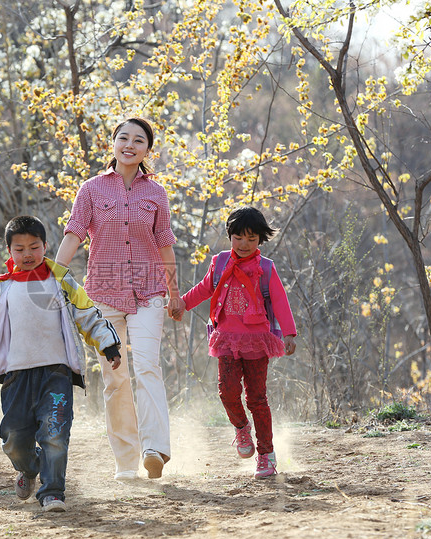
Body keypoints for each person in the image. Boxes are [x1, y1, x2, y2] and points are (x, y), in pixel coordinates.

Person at [0, 216, 121, 511]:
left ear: (46, 246)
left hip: (56, 372)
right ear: (10, 252)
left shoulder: (60, 279)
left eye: (34, 247)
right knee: (12, 438)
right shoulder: (4, 287)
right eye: (20, 248)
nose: (27, 254)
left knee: (55, 432)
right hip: (16, 376)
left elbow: (87, 313)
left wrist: (108, 343)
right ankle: (29, 467)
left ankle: (52, 492)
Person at [55, 117, 184, 480]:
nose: (130, 144)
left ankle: (154, 449)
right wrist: (54, 276)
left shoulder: (156, 193)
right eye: (123, 138)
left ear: (147, 149)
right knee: (115, 378)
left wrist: (175, 293)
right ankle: (125, 462)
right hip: (102, 293)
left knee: (146, 367)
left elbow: (165, 246)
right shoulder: (92, 189)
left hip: (149, 292)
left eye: (138, 140)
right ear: (113, 144)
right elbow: (73, 234)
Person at [180, 207, 297, 478]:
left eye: (252, 239)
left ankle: (266, 456)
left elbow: (279, 300)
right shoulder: (220, 262)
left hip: (257, 342)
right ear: (229, 236)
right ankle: (242, 428)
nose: (244, 245)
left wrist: (289, 333)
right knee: (227, 392)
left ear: (261, 240)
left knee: (257, 398)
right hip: (227, 340)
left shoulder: (265, 268)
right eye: (238, 238)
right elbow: (204, 288)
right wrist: (182, 304)